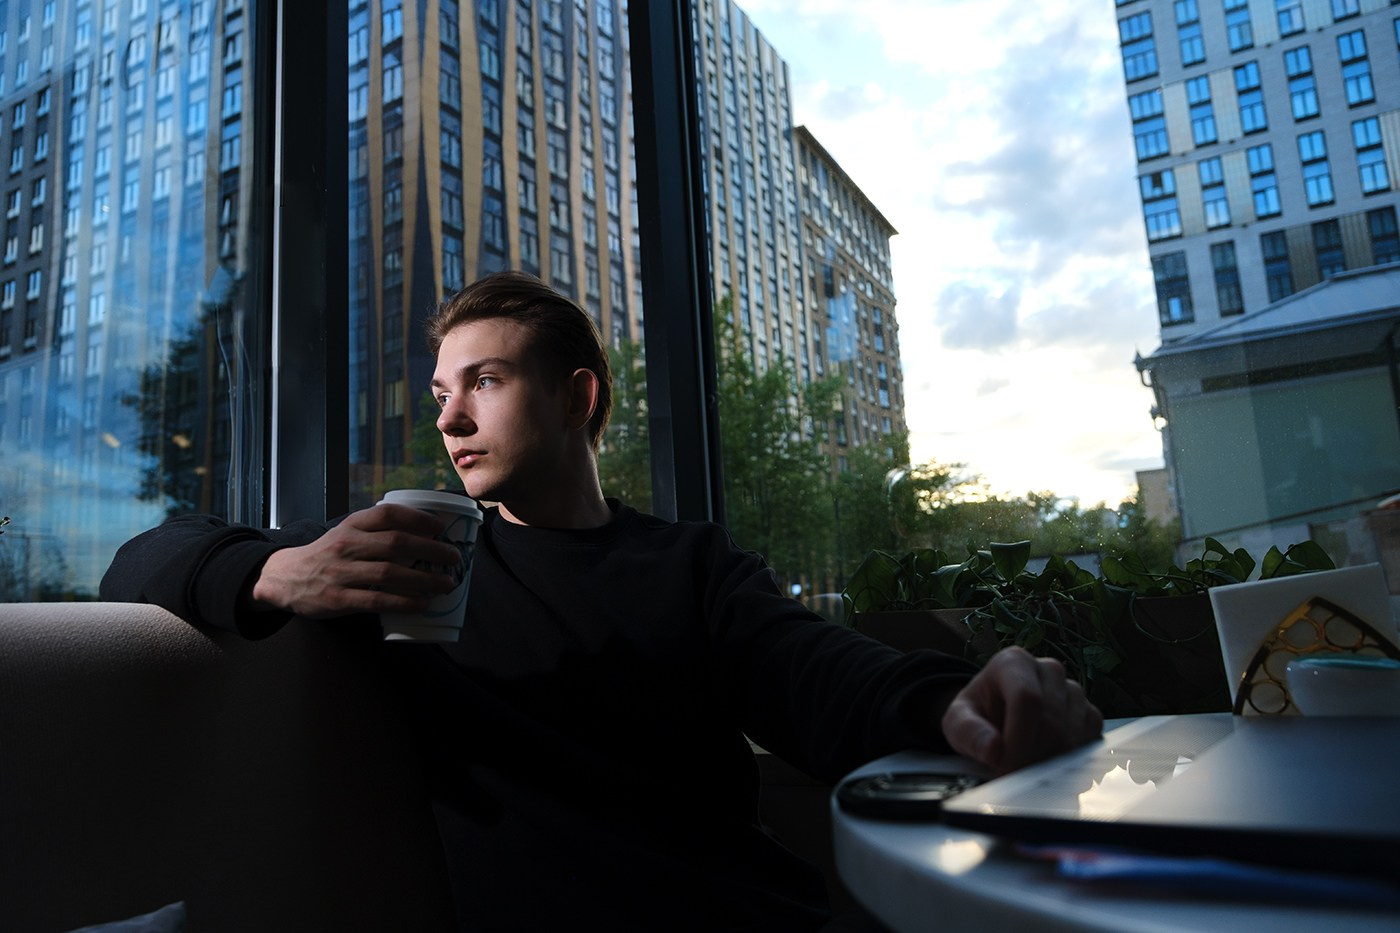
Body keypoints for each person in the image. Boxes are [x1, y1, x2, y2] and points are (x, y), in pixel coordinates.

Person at [101, 271, 1101, 931]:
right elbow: (143, 559)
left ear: (577, 397)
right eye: (441, 392)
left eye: (484, 382)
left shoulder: (690, 566)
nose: (448, 418)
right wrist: (279, 574)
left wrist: (965, 698)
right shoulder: (410, 560)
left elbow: (824, 676)